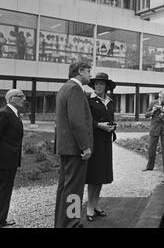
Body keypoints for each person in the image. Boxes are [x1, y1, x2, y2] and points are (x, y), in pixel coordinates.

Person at [54, 62, 93, 228]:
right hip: (75, 148)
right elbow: (77, 121)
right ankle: (72, 223)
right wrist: (85, 146)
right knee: (74, 189)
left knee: (64, 187)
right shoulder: (75, 89)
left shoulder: (65, 88)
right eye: (89, 71)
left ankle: (61, 223)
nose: (90, 75)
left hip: (66, 147)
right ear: (79, 72)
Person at [85, 72, 116, 222]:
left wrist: (111, 127)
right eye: (96, 83)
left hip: (105, 141)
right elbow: (85, 120)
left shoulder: (110, 101)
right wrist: (98, 125)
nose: (98, 86)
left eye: (102, 84)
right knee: (94, 175)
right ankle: (89, 207)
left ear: (106, 86)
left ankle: (96, 204)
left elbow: (111, 118)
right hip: (94, 140)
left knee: (102, 174)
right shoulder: (88, 100)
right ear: (93, 85)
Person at [0, 89, 26, 228]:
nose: (24, 99)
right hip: (4, 161)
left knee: (4, 190)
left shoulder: (14, 114)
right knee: (4, 190)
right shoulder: (4, 113)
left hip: (9, 160)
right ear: (11, 99)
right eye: (20, 96)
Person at [143, 90, 164, 173]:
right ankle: (150, 167)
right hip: (155, 127)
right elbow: (146, 115)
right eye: (163, 94)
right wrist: (153, 111)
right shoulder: (153, 102)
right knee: (152, 148)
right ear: (159, 95)